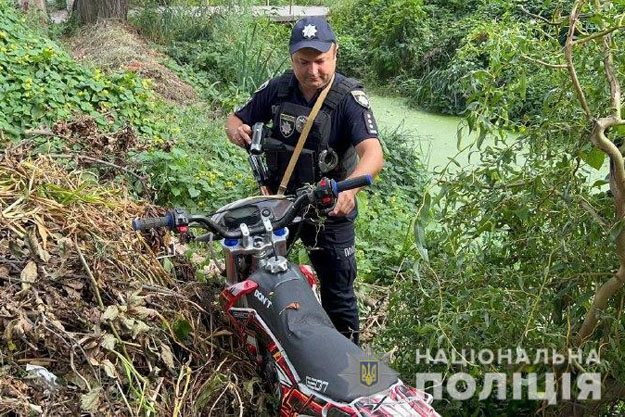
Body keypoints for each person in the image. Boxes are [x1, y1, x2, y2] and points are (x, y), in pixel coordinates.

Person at [224, 16, 383, 345]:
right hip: (279, 206)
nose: (312, 72)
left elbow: (372, 154)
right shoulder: (278, 88)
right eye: (303, 62)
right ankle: (261, 347)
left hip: (329, 212)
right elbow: (235, 119)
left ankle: (347, 365)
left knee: (338, 295)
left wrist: (349, 189)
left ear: (335, 54)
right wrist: (236, 130)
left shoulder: (348, 101)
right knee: (260, 278)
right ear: (292, 58)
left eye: (320, 61)